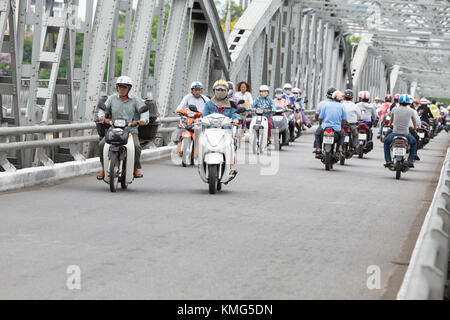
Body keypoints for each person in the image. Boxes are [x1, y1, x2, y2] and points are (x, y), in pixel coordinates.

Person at [97, 76, 149, 180]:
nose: (121, 89)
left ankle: (135, 168)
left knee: (137, 147)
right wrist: (101, 117)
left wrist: (143, 120)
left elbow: (144, 111)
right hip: (114, 129)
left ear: (129, 89)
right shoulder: (112, 98)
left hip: (130, 130)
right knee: (102, 144)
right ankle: (103, 168)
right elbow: (103, 109)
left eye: (124, 87)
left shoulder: (135, 100)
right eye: (119, 87)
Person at [202, 80, 240, 175]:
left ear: (227, 91)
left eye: (223, 90)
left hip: (226, 131)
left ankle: (231, 167)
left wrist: (235, 120)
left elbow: (234, 115)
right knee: (202, 143)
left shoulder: (231, 104)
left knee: (230, 145)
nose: (220, 91)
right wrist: (200, 120)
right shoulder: (208, 104)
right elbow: (204, 116)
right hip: (210, 131)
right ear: (214, 90)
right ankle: (200, 161)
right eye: (218, 89)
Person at [383, 94, 417, 168]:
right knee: (414, 143)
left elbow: (391, 121)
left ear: (399, 101)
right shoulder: (411, 111)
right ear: (408, 102)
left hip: (395, 133)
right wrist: (414, 128)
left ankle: (388, 161)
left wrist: (390, 125)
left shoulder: (394, 109)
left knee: (386, 142)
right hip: (406, 134)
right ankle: (410, 161)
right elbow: (414, 122)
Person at [314, 90, 347, 157]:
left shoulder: (325, 105)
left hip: (325, 127)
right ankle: (340, 147)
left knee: (317, 134)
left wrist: (320, 125)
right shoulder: (342, 106)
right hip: (336, 128)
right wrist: (342, 127)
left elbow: (320, 117)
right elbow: (344, 119)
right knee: (342, 135)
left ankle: (318, 148)